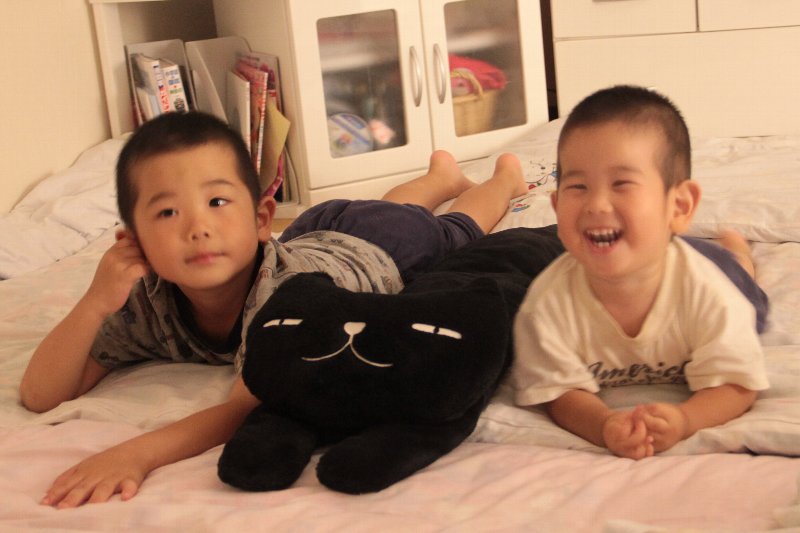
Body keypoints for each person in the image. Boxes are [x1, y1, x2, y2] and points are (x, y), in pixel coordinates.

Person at [19, 111, 528, 507]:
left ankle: (503, 180)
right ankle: (441, 175)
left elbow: (245, 405)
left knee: (448, 230)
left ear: (262, 219)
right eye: (168, 211)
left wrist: (136, 454)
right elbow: (42, 394)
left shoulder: (282, 298)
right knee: (391, 206)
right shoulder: (145, 302)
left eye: (217, 202)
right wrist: (94, 302)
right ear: (134, 240)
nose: (198, 228)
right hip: (314, 234)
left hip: (378, 249)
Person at [511, 85, 770, 460]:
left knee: (747, 296)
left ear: (679, 206)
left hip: (713, 273)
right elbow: (559, 392)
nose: (596, 204)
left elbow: (738, 385)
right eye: (578, 187)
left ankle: (739, 254)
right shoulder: (547, 305)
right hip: (660, 248)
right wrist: (604, 424)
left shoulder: (714, 296)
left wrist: (685, 419)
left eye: (621, 184)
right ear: (555, 205)